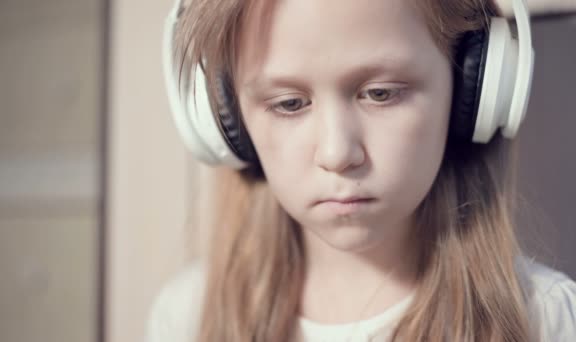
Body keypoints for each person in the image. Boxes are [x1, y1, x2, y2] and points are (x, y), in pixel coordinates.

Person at [148, 0, 576, 341]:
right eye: (289, 104)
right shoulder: (188, 317)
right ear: (226, 123)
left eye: (381, 93)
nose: (337, 154)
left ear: (475, 87)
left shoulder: (546, 319)